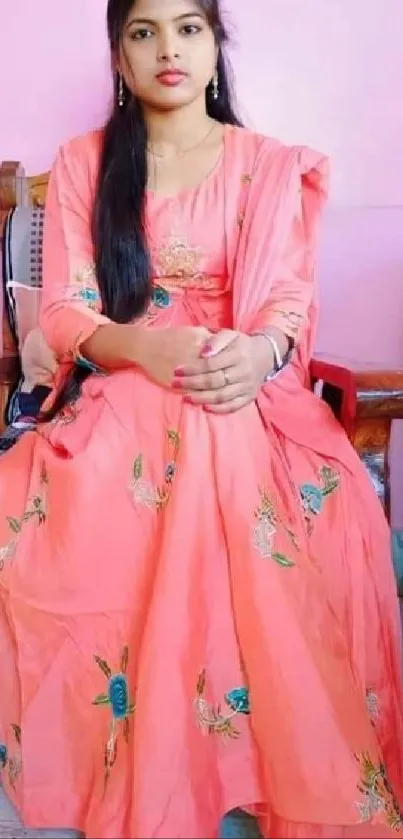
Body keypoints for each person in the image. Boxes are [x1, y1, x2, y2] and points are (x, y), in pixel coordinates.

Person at [0, 0, 402, 837]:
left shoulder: (263, 164)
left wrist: (257, 356)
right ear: (119, 59)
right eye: (142, 32)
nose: (167, 48)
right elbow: (69, 316)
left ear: (216, 47)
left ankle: (214, 764)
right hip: (126, 384)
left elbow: (286, 301)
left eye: (188, 26)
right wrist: (145, 349)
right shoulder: (86, 161)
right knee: (175, 411)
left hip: (249, 386)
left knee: (217, 414)